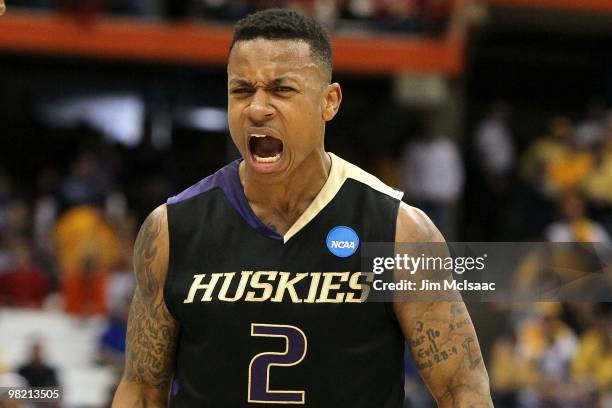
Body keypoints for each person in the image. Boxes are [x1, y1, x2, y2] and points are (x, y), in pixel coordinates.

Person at [113, 8, 492, 407]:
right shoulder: (173, 229)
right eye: (242, 90)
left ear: (329, 102)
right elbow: (140, 388)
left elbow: (461, 388)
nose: (257, 108)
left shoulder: (400, 232)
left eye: (281, 90)